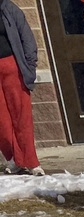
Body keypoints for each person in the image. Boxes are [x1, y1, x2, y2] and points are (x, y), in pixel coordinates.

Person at [0, 0, 43, 176]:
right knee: (2, 120)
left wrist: (30, 66)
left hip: (13, 68)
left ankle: (31, 162)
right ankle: (13, 159)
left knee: (21, 116)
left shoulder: (9, 8)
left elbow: (27, 37)